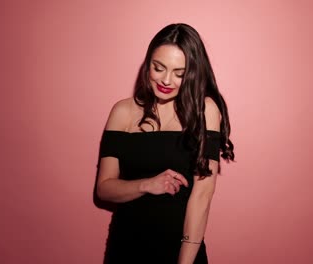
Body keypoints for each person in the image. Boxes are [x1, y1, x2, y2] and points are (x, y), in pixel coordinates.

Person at [95, 23, 234, 264]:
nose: (167, 80)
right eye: (158, 68)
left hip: (181, 251)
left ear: (192, 73)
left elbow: (202, 195)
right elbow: (104, 188)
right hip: (125, 246)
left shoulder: (205, 110)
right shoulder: (123, 111)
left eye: (179, 73)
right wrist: (147, 185)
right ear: (148, 62)